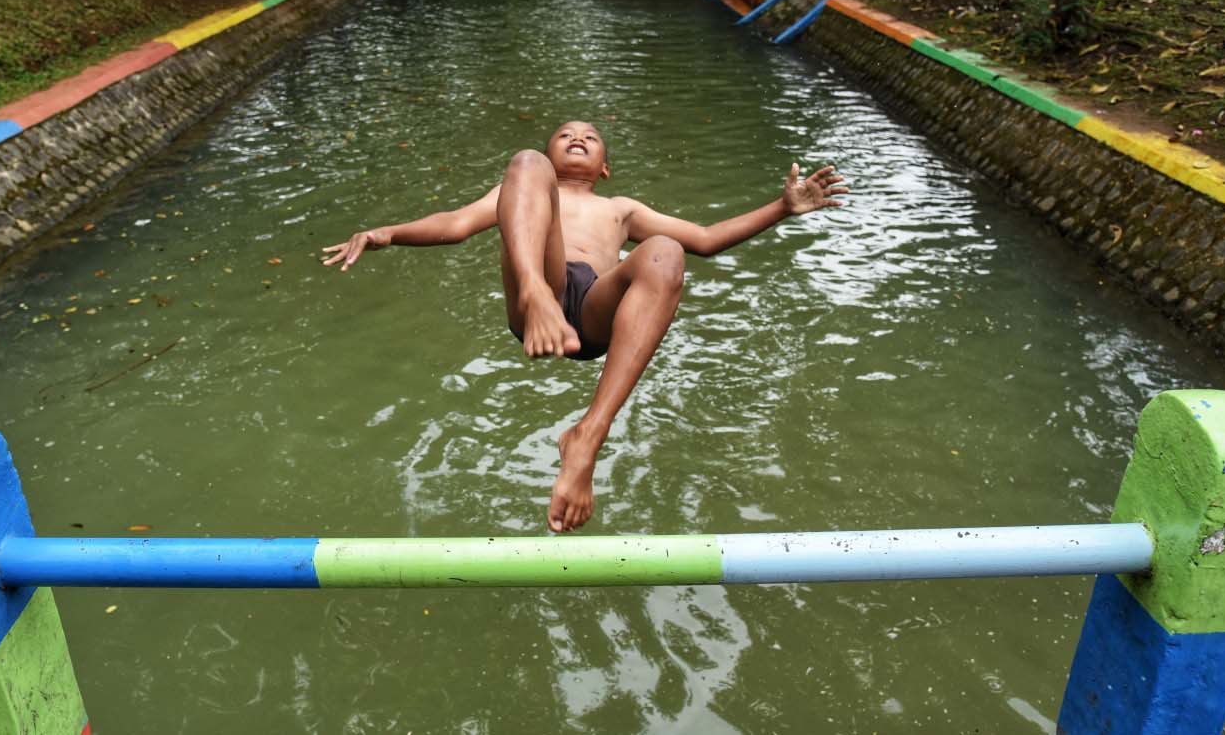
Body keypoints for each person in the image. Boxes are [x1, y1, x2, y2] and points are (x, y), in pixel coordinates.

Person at [322, 121, 849, 533]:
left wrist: (782, 207)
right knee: (521, 165)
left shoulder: (620, 208)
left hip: (597, 305)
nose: (577, 138)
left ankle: (586, 438)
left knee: (664, 251)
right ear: (556, 154)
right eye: (566, 135)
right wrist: (385, 233)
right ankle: (535, 292)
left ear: (604, 168)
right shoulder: (522, 190)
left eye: (590, 137)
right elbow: (455, 225)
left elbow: (706, 237)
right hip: (540, 285)